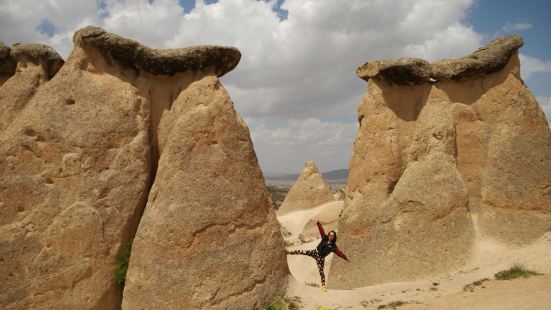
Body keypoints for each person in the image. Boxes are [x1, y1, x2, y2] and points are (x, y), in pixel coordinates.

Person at [285, 220, 349, 292]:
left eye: (332, 236)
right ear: (328, 235)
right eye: (330, 235)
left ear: (334, 237)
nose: (331, 236)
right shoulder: (325, 238)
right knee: (303, 252)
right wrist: (318, 223)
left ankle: (323, 286)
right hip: (315, 252)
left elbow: (339, 253)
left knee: (321, 271)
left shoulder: (333, 247)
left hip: (320, 258)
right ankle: (289, 252)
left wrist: (345, 258)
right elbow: (321, 231)